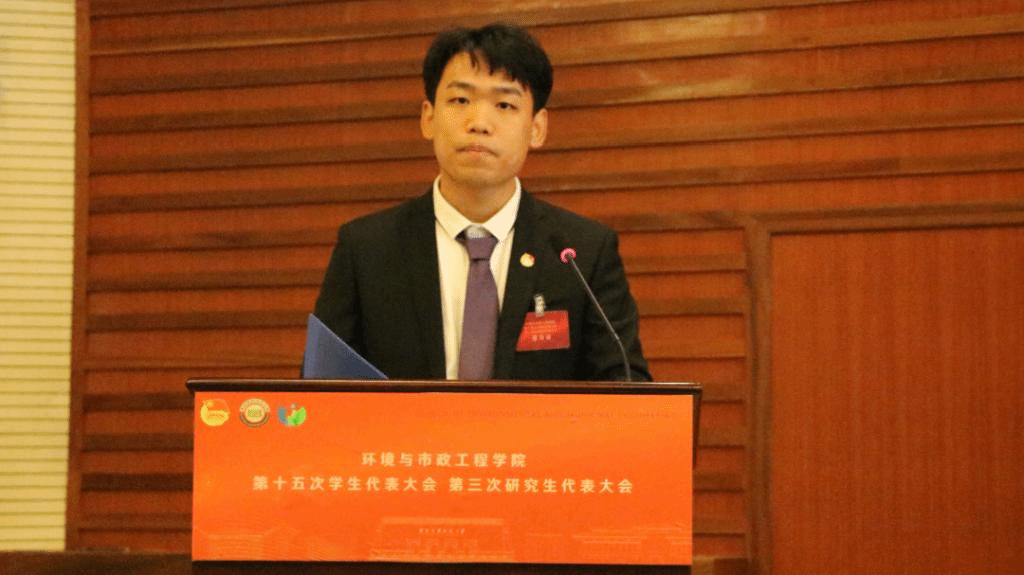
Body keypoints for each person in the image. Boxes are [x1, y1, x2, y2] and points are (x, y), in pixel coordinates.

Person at [313, 23, 650, 381]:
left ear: (537, 128)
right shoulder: (366, 250)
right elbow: (318, 391)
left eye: (504, 104)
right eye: (461, 100)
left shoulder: (581, 254)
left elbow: (627, 387)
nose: (479, 123)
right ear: (428, 117)